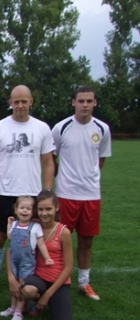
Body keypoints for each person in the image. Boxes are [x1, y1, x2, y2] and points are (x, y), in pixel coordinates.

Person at [0, 85, 55, 303]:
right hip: (4, 193)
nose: (20, 105)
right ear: (10, 103)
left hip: (33, 194)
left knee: (35, 239)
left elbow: (48, 162)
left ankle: (34, 284)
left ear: (31, 102)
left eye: (24, 101)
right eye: (16, 101)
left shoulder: (42, 128)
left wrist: (47, 192)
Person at [52, 86, 111, 301]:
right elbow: (52, 158)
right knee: (59, 241)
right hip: (65, 194)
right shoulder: (61, 128)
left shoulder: (102, 129)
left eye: (89, 101)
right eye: (81, 101)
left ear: (95, 103)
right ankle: (58, 280)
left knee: (87, 241)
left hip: (91, 195)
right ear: (73, 102)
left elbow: (100, 161)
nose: (85, 104)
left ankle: (84, 283)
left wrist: (88, 178)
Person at [19, 190, 74, 320]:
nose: (44, 213)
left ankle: (50, 299)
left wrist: (48, 294)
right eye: (41, 209)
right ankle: (35, 301)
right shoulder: (32, 225)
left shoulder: (64, 232)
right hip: (39, 276)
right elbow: (13, 249)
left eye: (48, 209)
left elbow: (69, 268)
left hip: (58, 280)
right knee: (28, 290)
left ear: (57, 208)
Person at [0, 196, 53, 320]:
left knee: (22, 285)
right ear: (16, 210)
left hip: (27, 261)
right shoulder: (14, 224)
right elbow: (10, 237)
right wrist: (9, 224)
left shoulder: (35, 227)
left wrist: (47, 257)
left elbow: (41, 244)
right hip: (14, 259)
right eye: (22, 208)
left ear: (33, 212)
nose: (24, 211)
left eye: (28, 209)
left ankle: (19, 311)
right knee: (14, 284)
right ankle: (13, 307)